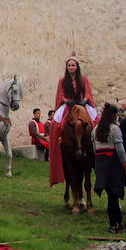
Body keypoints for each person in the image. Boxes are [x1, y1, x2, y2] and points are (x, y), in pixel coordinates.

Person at [48, 57, 96, 186]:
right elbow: (60, 95)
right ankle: (59, 143)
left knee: (95, 119)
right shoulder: (62, 81)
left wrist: (85, 100)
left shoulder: (83, 79)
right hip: (68, 105)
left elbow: (88, 92)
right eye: (69, 65)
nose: (71, 67)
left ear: (77, 67)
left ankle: (95, 146)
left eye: (73, 65)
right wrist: (66, 101)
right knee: (55, 123)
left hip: (81, 104)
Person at [92, 103, 126, 233]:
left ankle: (120, 222)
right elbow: (120, 151)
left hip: (101, 165)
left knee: (111, 195)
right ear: (113, 115)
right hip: (113, 164)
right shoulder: (115, 129)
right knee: (113, 196)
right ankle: (113, 224)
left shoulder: (95, 130)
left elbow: (95, 150)